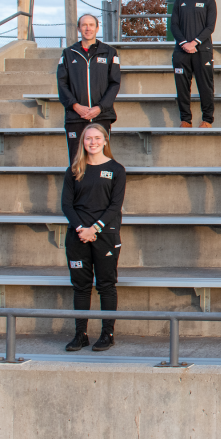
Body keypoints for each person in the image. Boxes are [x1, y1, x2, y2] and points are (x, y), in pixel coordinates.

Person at [61, 123, 126, 353]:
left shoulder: (116, 169)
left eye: (97, 138)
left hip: (105, 235)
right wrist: (81, 228)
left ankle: (107, 334)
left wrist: (94, 228)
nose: (93, 142)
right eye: (88, 138)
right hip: (77, 236)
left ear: (105, 141)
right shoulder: (74, 169)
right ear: (83, 142)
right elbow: (66, 205)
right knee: (81, 286)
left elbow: (115, 206)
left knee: (106, 285)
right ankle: (81, 334)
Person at [56, 14, 121, 163]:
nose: (88, 28)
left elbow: (115, 83)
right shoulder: (68, 53)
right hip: (75, 117)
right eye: (84, 25)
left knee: (100, 160)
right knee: (76, 162)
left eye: (91, 25)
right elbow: (62, 83)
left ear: (97, 28)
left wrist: (100, 107)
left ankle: (100, 187)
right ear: (79, 28)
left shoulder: (109, 52)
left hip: (101, 116)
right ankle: (76, 186)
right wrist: (75, 106)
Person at [170, 0, 218, 128]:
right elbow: (174, 26)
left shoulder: (209, 1)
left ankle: (207, 119)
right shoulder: (179, 2)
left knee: (205, 86)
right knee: (182, 87)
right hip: (181, 52)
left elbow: (210, 27)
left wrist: (194, 43)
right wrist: (184, 43)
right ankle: (185, 119)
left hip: (202, 51)